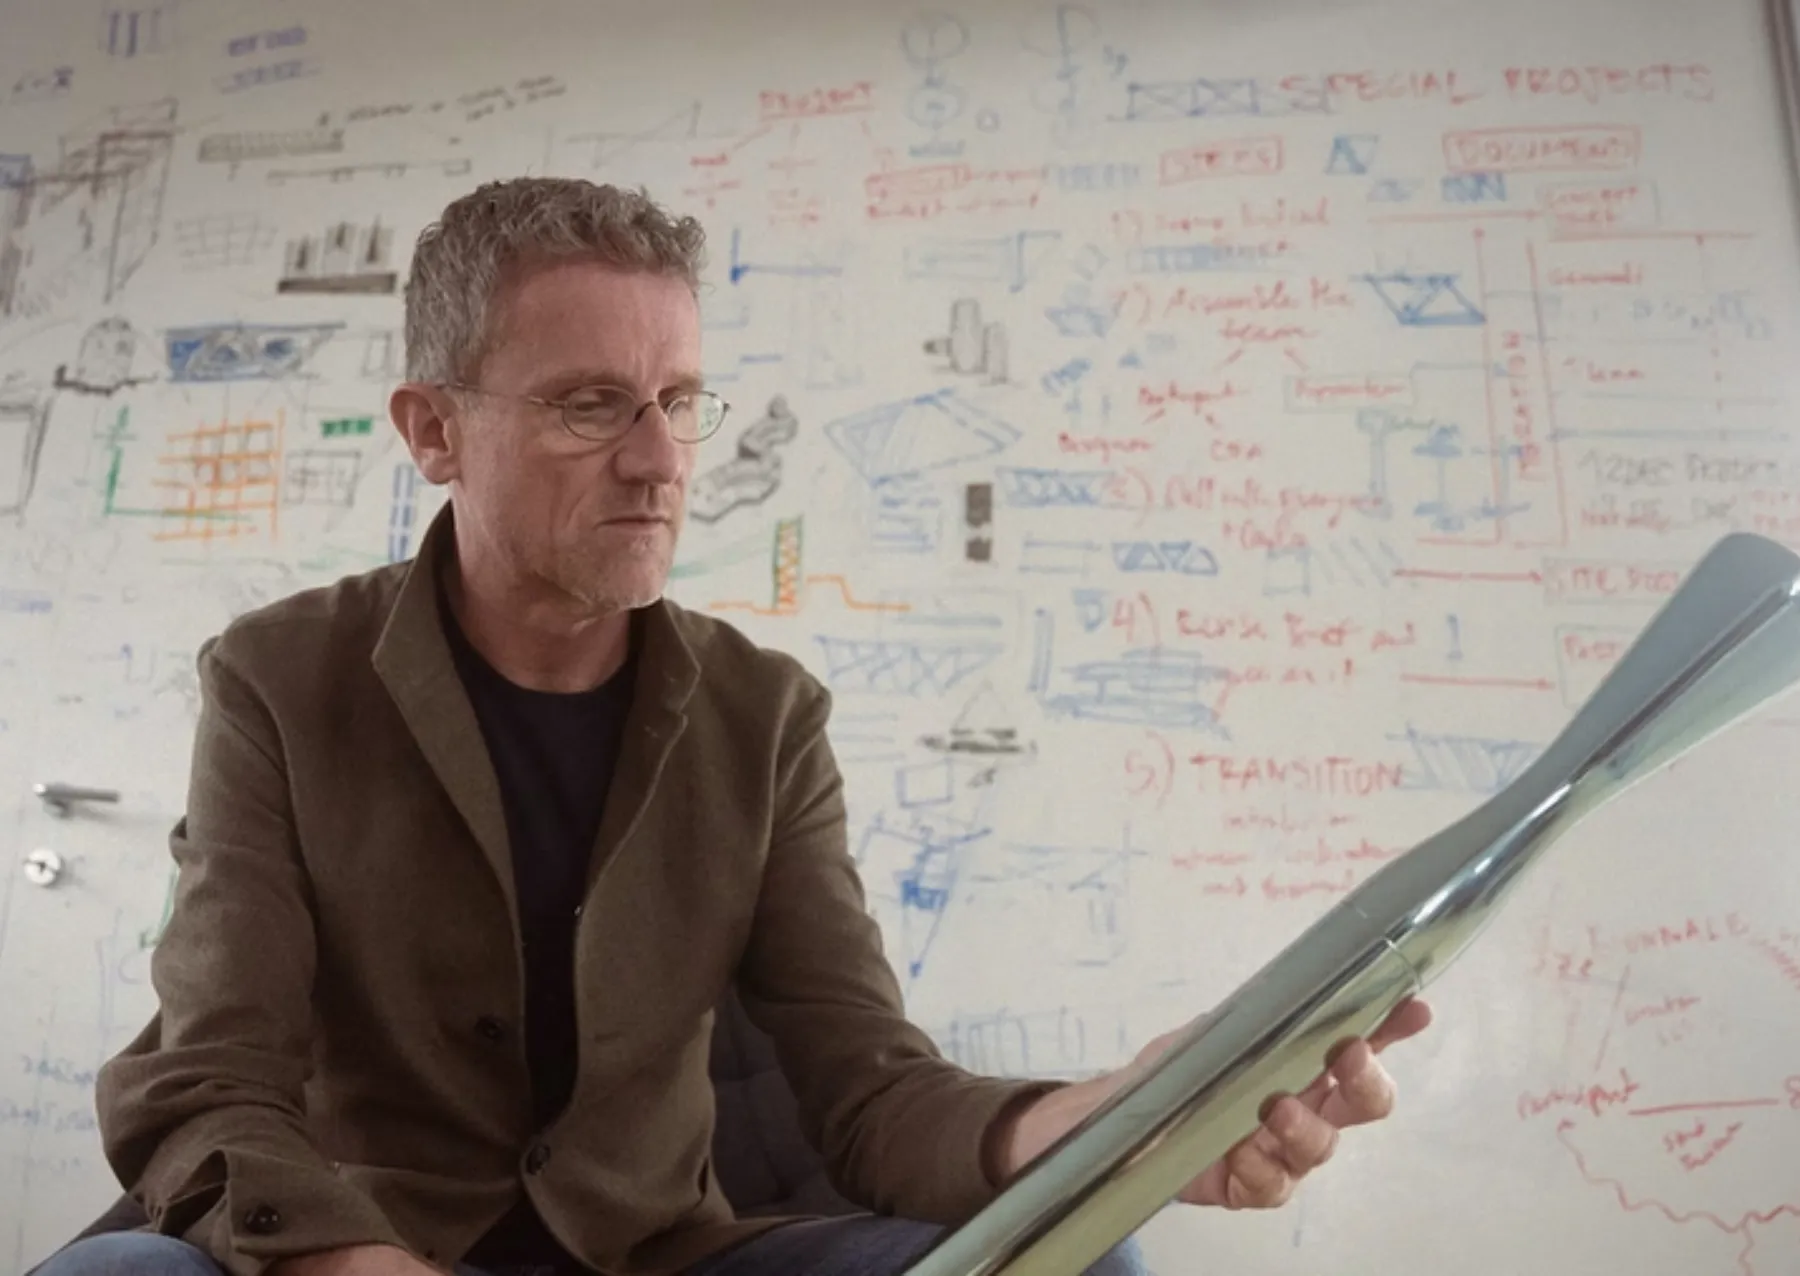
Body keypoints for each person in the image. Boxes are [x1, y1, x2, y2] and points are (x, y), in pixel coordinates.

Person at [41, 178, 1430, 1276]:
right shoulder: (280, 681)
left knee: (1076, 1247)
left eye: (681, 401)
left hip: (670, 1256)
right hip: (376, 1241)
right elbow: (209, 1079)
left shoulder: (766, 716)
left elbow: (871, 1095)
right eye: (591, 405)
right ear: (433, 432)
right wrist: (350, 1260)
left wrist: (1119, 1123)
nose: (659, 460)